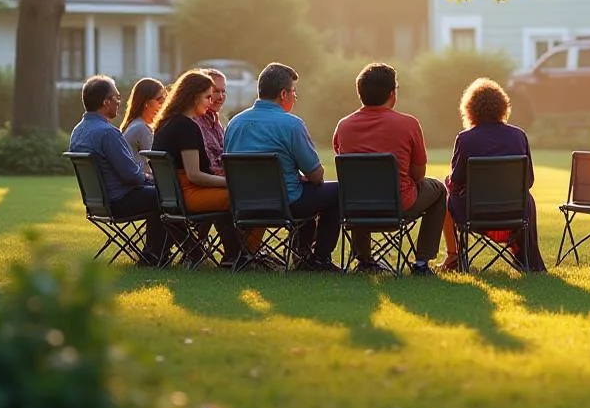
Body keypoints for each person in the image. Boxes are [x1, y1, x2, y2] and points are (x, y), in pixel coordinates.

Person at [223, 61, 343, 272]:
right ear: (283, 94)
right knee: (336, 191)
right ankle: (318, 258)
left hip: (243, 203)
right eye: (294, 92)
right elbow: (315, 175)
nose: (295, 97)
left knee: (306, 191)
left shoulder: (235, 123)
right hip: (285, 203)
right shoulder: (291, 124)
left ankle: (303, 254)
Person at [333, 62, 448, 276]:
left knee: (360, 188)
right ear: (392, 94)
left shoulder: (344, 126)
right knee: (439, 190)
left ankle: (364, 259)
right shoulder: (409, 124)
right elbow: (418, 175)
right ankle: (422, 261)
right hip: (399, 205)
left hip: (355, 208)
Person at [444, 77, 546, 272]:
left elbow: (456, 182)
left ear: (470, 108)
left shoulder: (465, 139)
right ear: (502, 106)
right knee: (528, 198)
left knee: (446, 190)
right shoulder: (518, 135)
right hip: (514, 211)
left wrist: (449, 182)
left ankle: (455, 257)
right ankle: (524, 255)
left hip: (474, 213)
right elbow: (529, 181)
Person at [150, 69, 240, 267]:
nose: (210, 102)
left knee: (234, 193)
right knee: (241, 195)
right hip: (189, 194)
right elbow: (195, 175)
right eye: (207, 96)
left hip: (171, 196)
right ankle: (239, 255)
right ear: (193, 97)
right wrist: (230, 182)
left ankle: (235, 254)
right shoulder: (187, 127)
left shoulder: (166, 123)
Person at [68, 74, 160, 225]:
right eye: (116, 97)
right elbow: (132, 177)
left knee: (162, 194)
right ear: (106, 101)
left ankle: (158, 247)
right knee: (170, 195)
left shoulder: (77, 131)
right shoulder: (108, 133)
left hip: (97, 203)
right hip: (119, 201)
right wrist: (148, 176)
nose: (119, 102)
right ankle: (162, 248)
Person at [119, 76, 165, 173]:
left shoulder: (134, 124)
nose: (163, 104)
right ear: (146, 103)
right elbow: (158, 164)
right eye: (159, 100)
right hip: (142, 184)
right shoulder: (142, 129)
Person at [195, 67, 229, 174]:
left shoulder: (216, 121)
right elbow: (207, 167)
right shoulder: (195, 123)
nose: (220, 97)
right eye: (216, 91)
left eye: (223, 91)